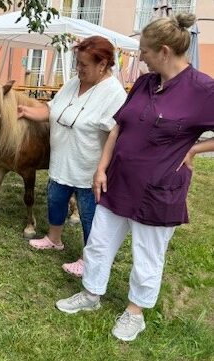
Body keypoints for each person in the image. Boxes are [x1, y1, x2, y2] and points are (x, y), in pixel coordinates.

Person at [55, 14, 214, 342]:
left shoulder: (202, 89)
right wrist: (101, 167)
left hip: (158, 190)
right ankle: (91, 294)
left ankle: (134, 313)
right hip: (118, 181)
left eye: (144, 50)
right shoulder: (145, 82)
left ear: (165, 51)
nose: (139, 56)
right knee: (98, 243)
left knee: (147, 255)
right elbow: (119, 125)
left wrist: (195, 150)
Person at [18, 36, 127, 277]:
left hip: (88, 169)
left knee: (90, 216)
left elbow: (116, 134)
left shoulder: (114, 93)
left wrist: (103, 169)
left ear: (103, 64)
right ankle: (54, 239)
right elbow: (50, 109)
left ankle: (89, 258)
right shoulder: (73, 83)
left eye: (84, 65)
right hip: (61, 163)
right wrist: (27, 111)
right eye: (77, 63)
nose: (79, 69)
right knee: (56, 202)